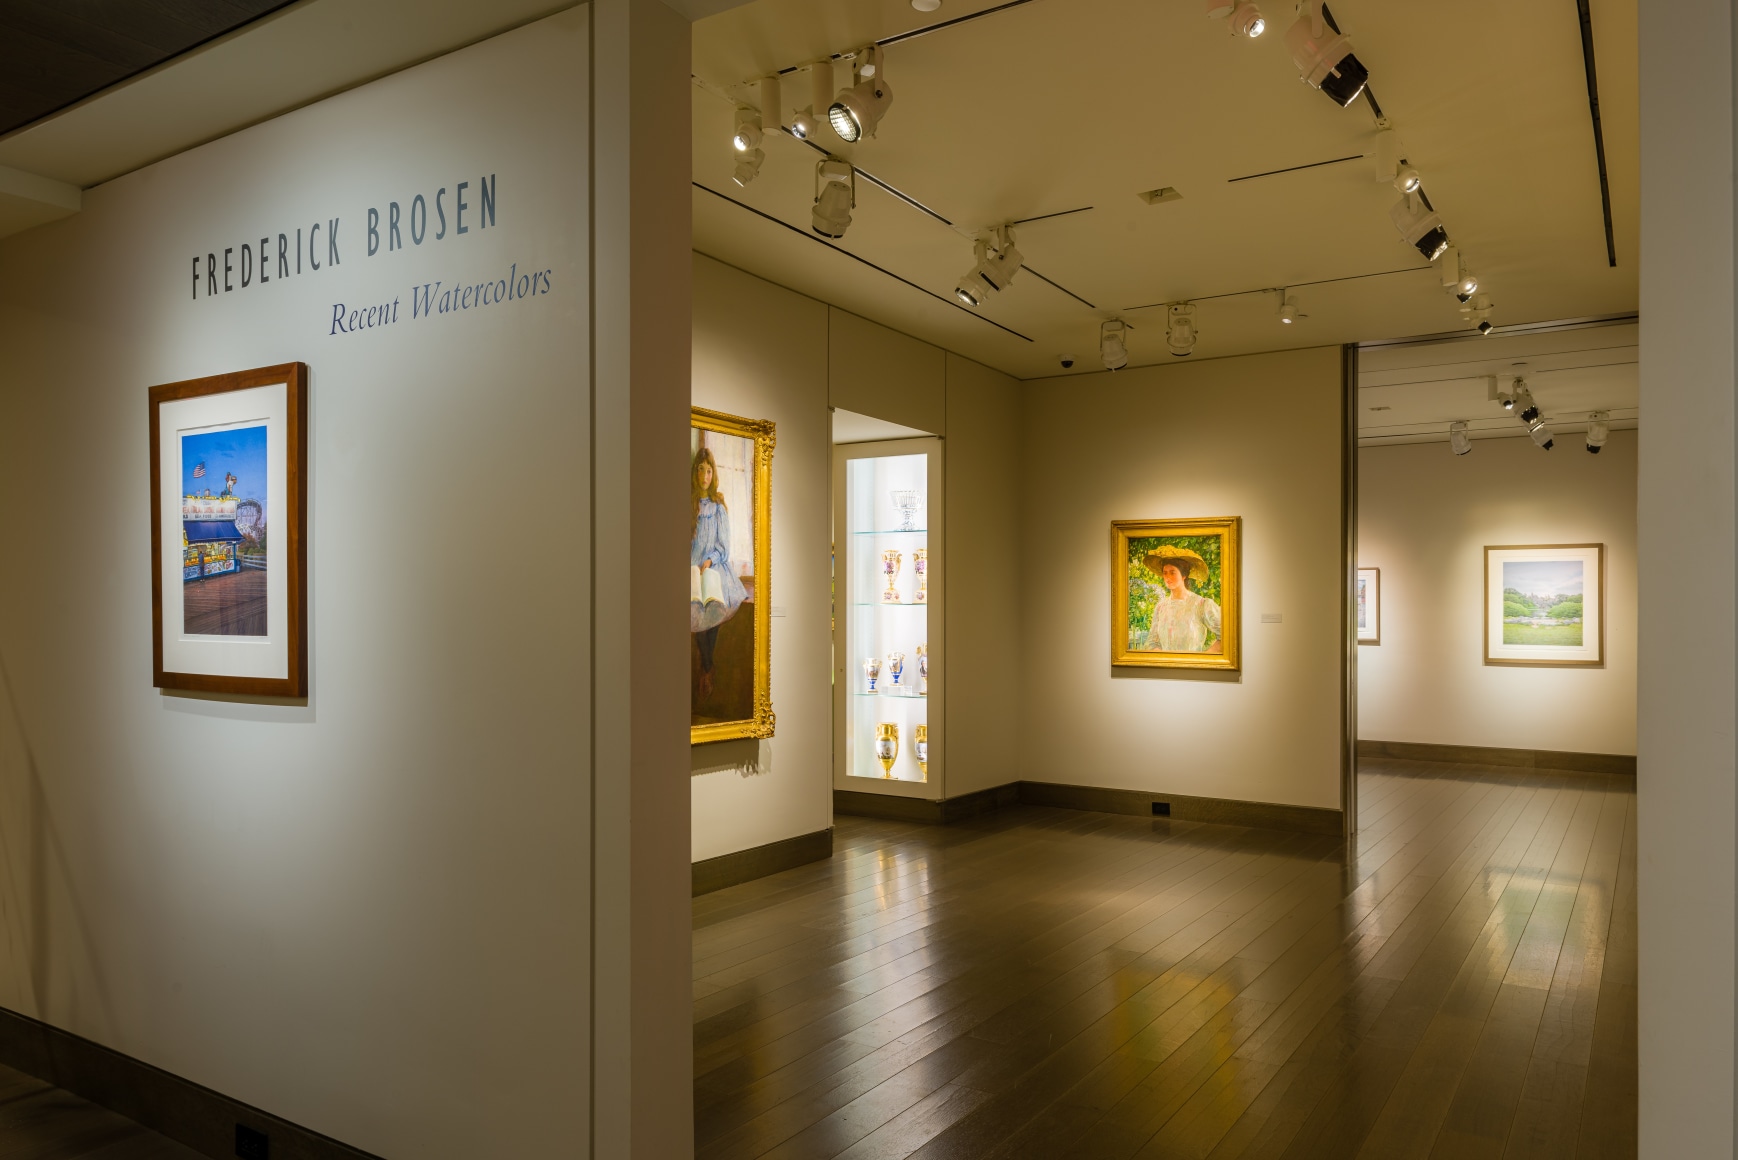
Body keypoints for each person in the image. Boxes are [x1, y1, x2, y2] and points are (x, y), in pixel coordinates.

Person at [690, 447, 746, 700]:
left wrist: (709, 561)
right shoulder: (688, 504)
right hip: (691, 568)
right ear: (695, 472)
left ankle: (706, 668)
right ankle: (707, 667)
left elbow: (724, 546)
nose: (705, 475)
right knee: (694, 609)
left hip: (714, 567)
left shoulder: (718, 506)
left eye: (709, 470)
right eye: (700, 470)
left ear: (714, 475)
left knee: (712, 606)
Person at [1142, 545, 1222, 653]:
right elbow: (1152, 642)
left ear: (1184, 575)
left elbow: (1227, 636)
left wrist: (1203, 659)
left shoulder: (1201, 604)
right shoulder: (1161, 607)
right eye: (1165, 573)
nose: (1168, 577)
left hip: (1193, 667)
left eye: (1172, 572)